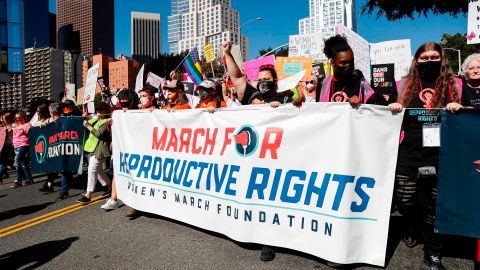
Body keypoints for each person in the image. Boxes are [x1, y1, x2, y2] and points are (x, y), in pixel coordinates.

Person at [388, 42, 463, 270]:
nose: (429, 61)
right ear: (416, 60)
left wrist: (458, 105)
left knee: (433, 205)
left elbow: (471, 114)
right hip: (409, 153)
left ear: (441, 59)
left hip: (441, 154)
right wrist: (392, 106)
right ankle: (411, 225)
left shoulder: (455, 84)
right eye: (424, 58)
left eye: (434, 57)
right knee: (405, 199)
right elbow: (384, 107)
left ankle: (433, 252)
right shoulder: (403, 84)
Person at [313, 35, 378, 107]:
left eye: (351, 61)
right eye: (344, 63)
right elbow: (318, 111)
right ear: (332, 62)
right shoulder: (323, 84)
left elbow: (377, 107)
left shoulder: (362, 84)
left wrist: (361, 103)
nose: (349, 66)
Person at [223, 42, 292, 108]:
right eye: (259, 80)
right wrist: (227, 53)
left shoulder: (285, 100)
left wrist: (282, 108)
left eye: (266, 79)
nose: (262, 82)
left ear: (275, 80)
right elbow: (237, 78)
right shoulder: (252, 96)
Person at [77, 102, 112, 204]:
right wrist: (84, 118)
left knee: (92, 171)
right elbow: (85, 122)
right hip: (92, 149)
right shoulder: (96, 120)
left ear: (106, 111)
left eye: (101, 110)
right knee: (99, 172)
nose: (99, 112)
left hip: (100, 151)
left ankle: (88, 195)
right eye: (97, 110)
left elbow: (99, 134)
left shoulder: (107, 121)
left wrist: (87, 125)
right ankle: (111, 188)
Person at [32, 103, 56, 193]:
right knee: (48, 165)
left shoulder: (50, 119)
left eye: (39, 111)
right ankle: (49, 183)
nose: (37, 113)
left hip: (51, 143)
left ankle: (49, 184)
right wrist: (40, 123)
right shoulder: (38, 119)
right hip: (43, 144)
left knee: (52, 165)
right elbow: (32, 124)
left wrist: (45, 123)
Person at [11, 111, 33, 188]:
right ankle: (29, 179)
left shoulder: (27, 125)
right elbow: (14, 136)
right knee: (24, 163)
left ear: (23, 117)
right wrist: (13, 145)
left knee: (17, 161)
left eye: (19, 118)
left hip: (24, 145)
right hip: (16, 146)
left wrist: (23, 130)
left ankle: (18, 180)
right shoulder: (16, 126)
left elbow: (31, 134)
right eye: (16, 118)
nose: (18, 119)